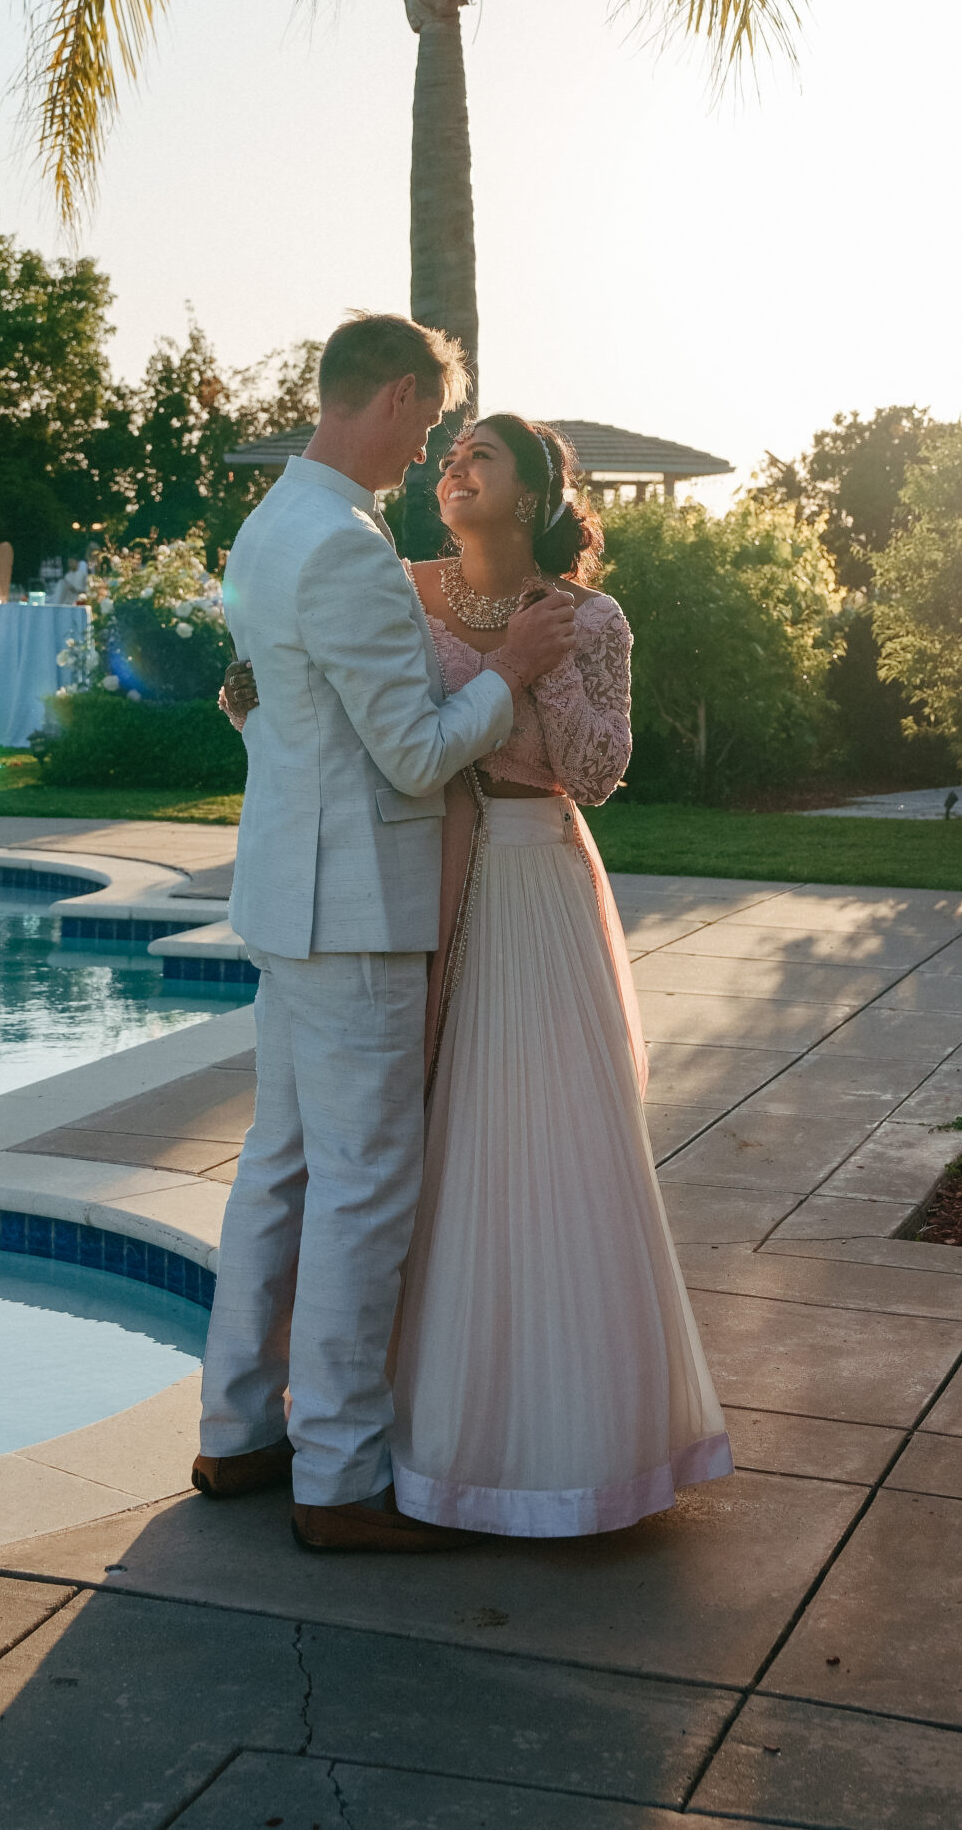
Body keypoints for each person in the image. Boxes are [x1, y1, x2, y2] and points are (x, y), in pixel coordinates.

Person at [192, 315, 576, 1554]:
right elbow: (413, 756)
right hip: (356, 906)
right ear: (397, 393)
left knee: (281, 1166)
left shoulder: (266, 527)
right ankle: (341, 1480)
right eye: (427, 422)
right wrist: (510, 667)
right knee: (364, 1188)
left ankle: (238, 1428)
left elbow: (281, 717)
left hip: (288, 901)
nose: (425, 453)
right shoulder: (347, 549)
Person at [390, 414, 732, 1534]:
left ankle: (583, 1450)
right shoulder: (404, 591)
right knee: (454, 1133)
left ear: (533, 496)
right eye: (451, 456)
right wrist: (498, 668)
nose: (455, 467)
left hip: (542, 875)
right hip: (443, 875)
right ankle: (443, 1436)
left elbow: (596, 770)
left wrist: (546, 666)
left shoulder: (594, 616)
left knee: (564, 1134)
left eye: (480, 458)